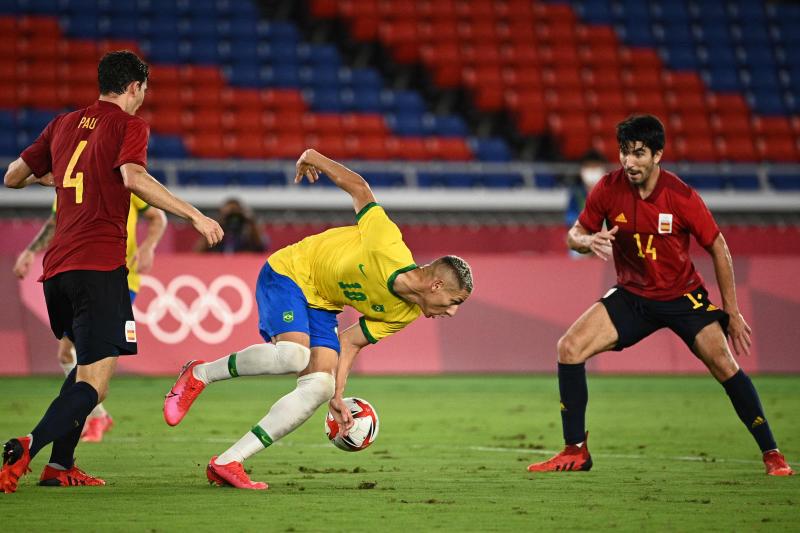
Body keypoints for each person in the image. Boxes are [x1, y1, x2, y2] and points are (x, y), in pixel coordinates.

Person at [163, 149, 473, 490]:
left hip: (323, 303)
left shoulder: (406, 312)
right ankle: (200, 373)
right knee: (293, 355)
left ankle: (228, 461)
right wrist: (314, 157)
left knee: (321, 386)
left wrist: (338, 396)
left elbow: (351, 342)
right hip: (291, 272)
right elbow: (359, 189)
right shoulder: (388, 246)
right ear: (436, 284)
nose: (452, 311)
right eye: (453, 301)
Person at [1, 50, 223, 493]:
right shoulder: (128, 126)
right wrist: (195, 215)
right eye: (144, 90)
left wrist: (58, 175)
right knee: (95, 386)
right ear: (135, 87)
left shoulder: (62, 124)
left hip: (58, 271)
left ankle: (60, 467)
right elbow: (135, 178)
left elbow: (12, 176)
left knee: (81, 370)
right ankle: (28, 446)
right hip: (99, 268)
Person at [527, 115, 793, 476]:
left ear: (658, 154)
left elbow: (718, 247)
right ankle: (575, 450)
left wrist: (731, 310)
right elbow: (574, 234)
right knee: (568, 348)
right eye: (624, 153)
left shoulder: (680, 196)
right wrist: (587, 241)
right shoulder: (607, 188)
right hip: (633, 296)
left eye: (638, 153)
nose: (629, 162)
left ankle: (772, 454)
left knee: (725, 365)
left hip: (682, 297)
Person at [12, 192, 167, 442]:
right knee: (67, 354)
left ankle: (87, 420)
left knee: (92, 357)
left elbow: (158, 216)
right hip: (84, 278)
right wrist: (30, 252)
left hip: (120, 279)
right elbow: (54, 223)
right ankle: (95, 416)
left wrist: (148, 246)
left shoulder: (125, 181)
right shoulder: (70, 185)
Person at [194, 197, 267, 254]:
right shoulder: (217, 228)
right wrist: (218, 222)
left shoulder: (248, 230)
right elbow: (198, 251)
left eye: (235, 212)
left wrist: (250, 221)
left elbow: (262, 248)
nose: (233, 218)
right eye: (230, 214)